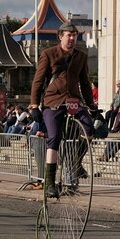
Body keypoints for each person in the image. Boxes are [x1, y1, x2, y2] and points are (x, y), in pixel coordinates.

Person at [30, 21, 96, 198]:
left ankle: (75, 162)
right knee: (54, 138)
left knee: (89, 128)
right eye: (69, 35)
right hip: (54, 101)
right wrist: (34, 105)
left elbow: (85, 83)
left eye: (75, 35)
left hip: (74, 101)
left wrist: (91, 105)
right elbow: (38, 81)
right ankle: (50, 183)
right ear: (60, 36)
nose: (72, 38)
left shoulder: (81, 56)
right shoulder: (49, 54)